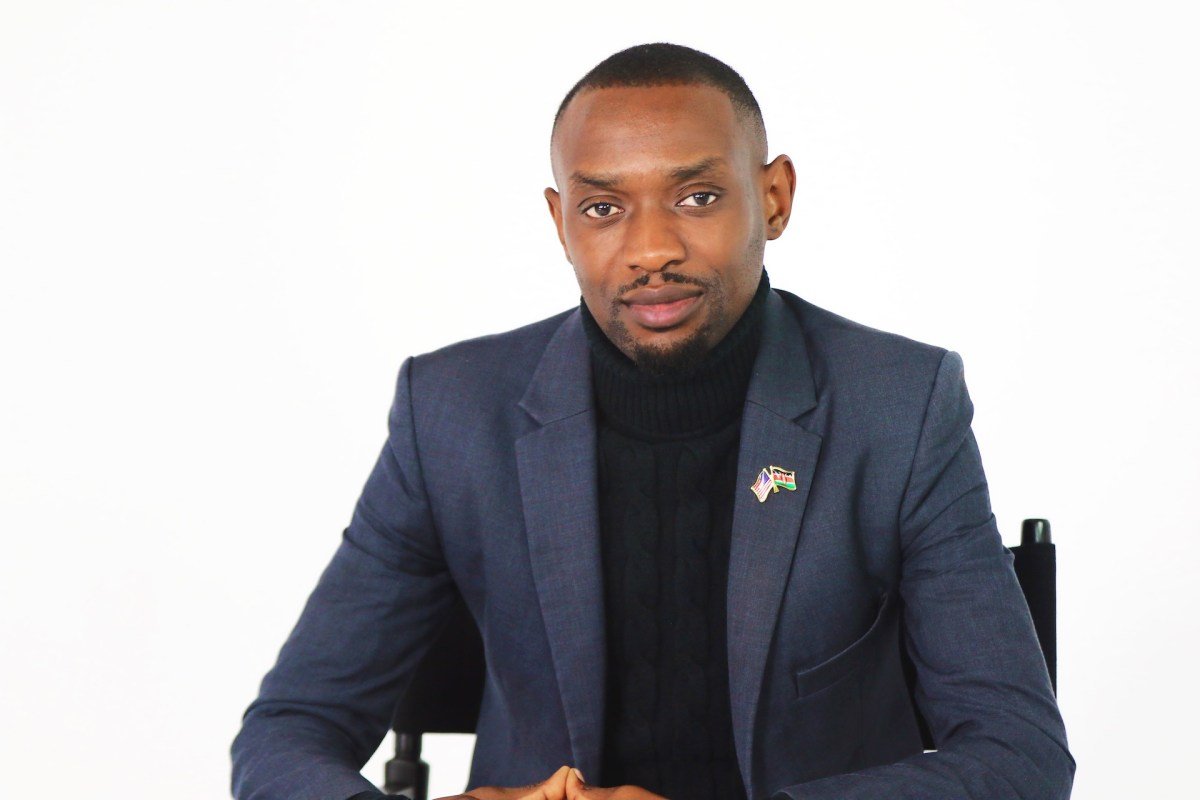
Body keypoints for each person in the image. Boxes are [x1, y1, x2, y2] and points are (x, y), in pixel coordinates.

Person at [231, 43, 1074, 800]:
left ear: (774, 198)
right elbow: (286, 733)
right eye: (603, 209)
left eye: (698, 197)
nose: (650, 249)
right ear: (560, 223)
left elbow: (1021, 756)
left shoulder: (899, 405)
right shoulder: (451, 411)